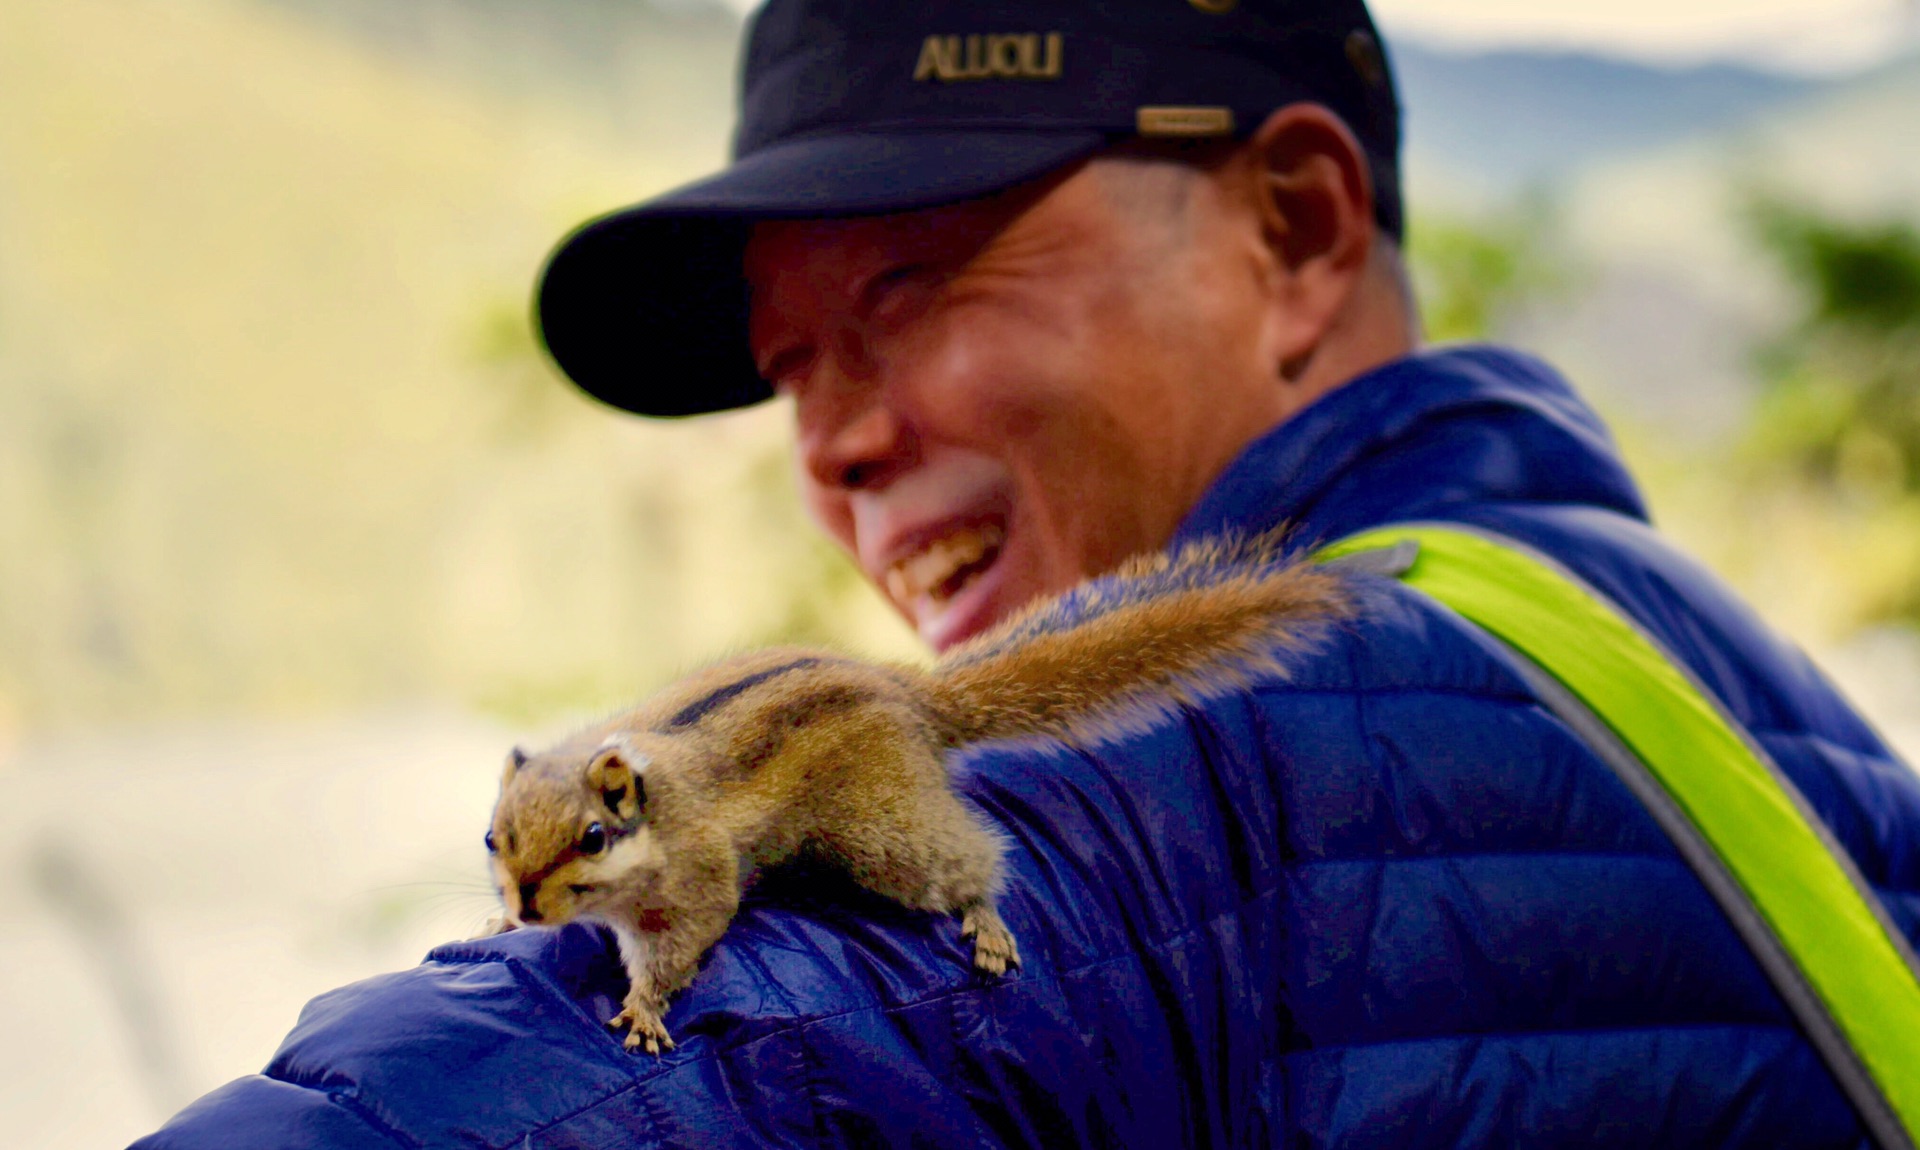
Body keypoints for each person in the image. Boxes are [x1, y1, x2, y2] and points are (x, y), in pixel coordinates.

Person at [136, 0, 1920, 1146]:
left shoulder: (1258, 726)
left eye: (910, 293)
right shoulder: (1726, 673)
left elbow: (739, 1053)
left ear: (1291, 234)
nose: (826, 444)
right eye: (789, 365)